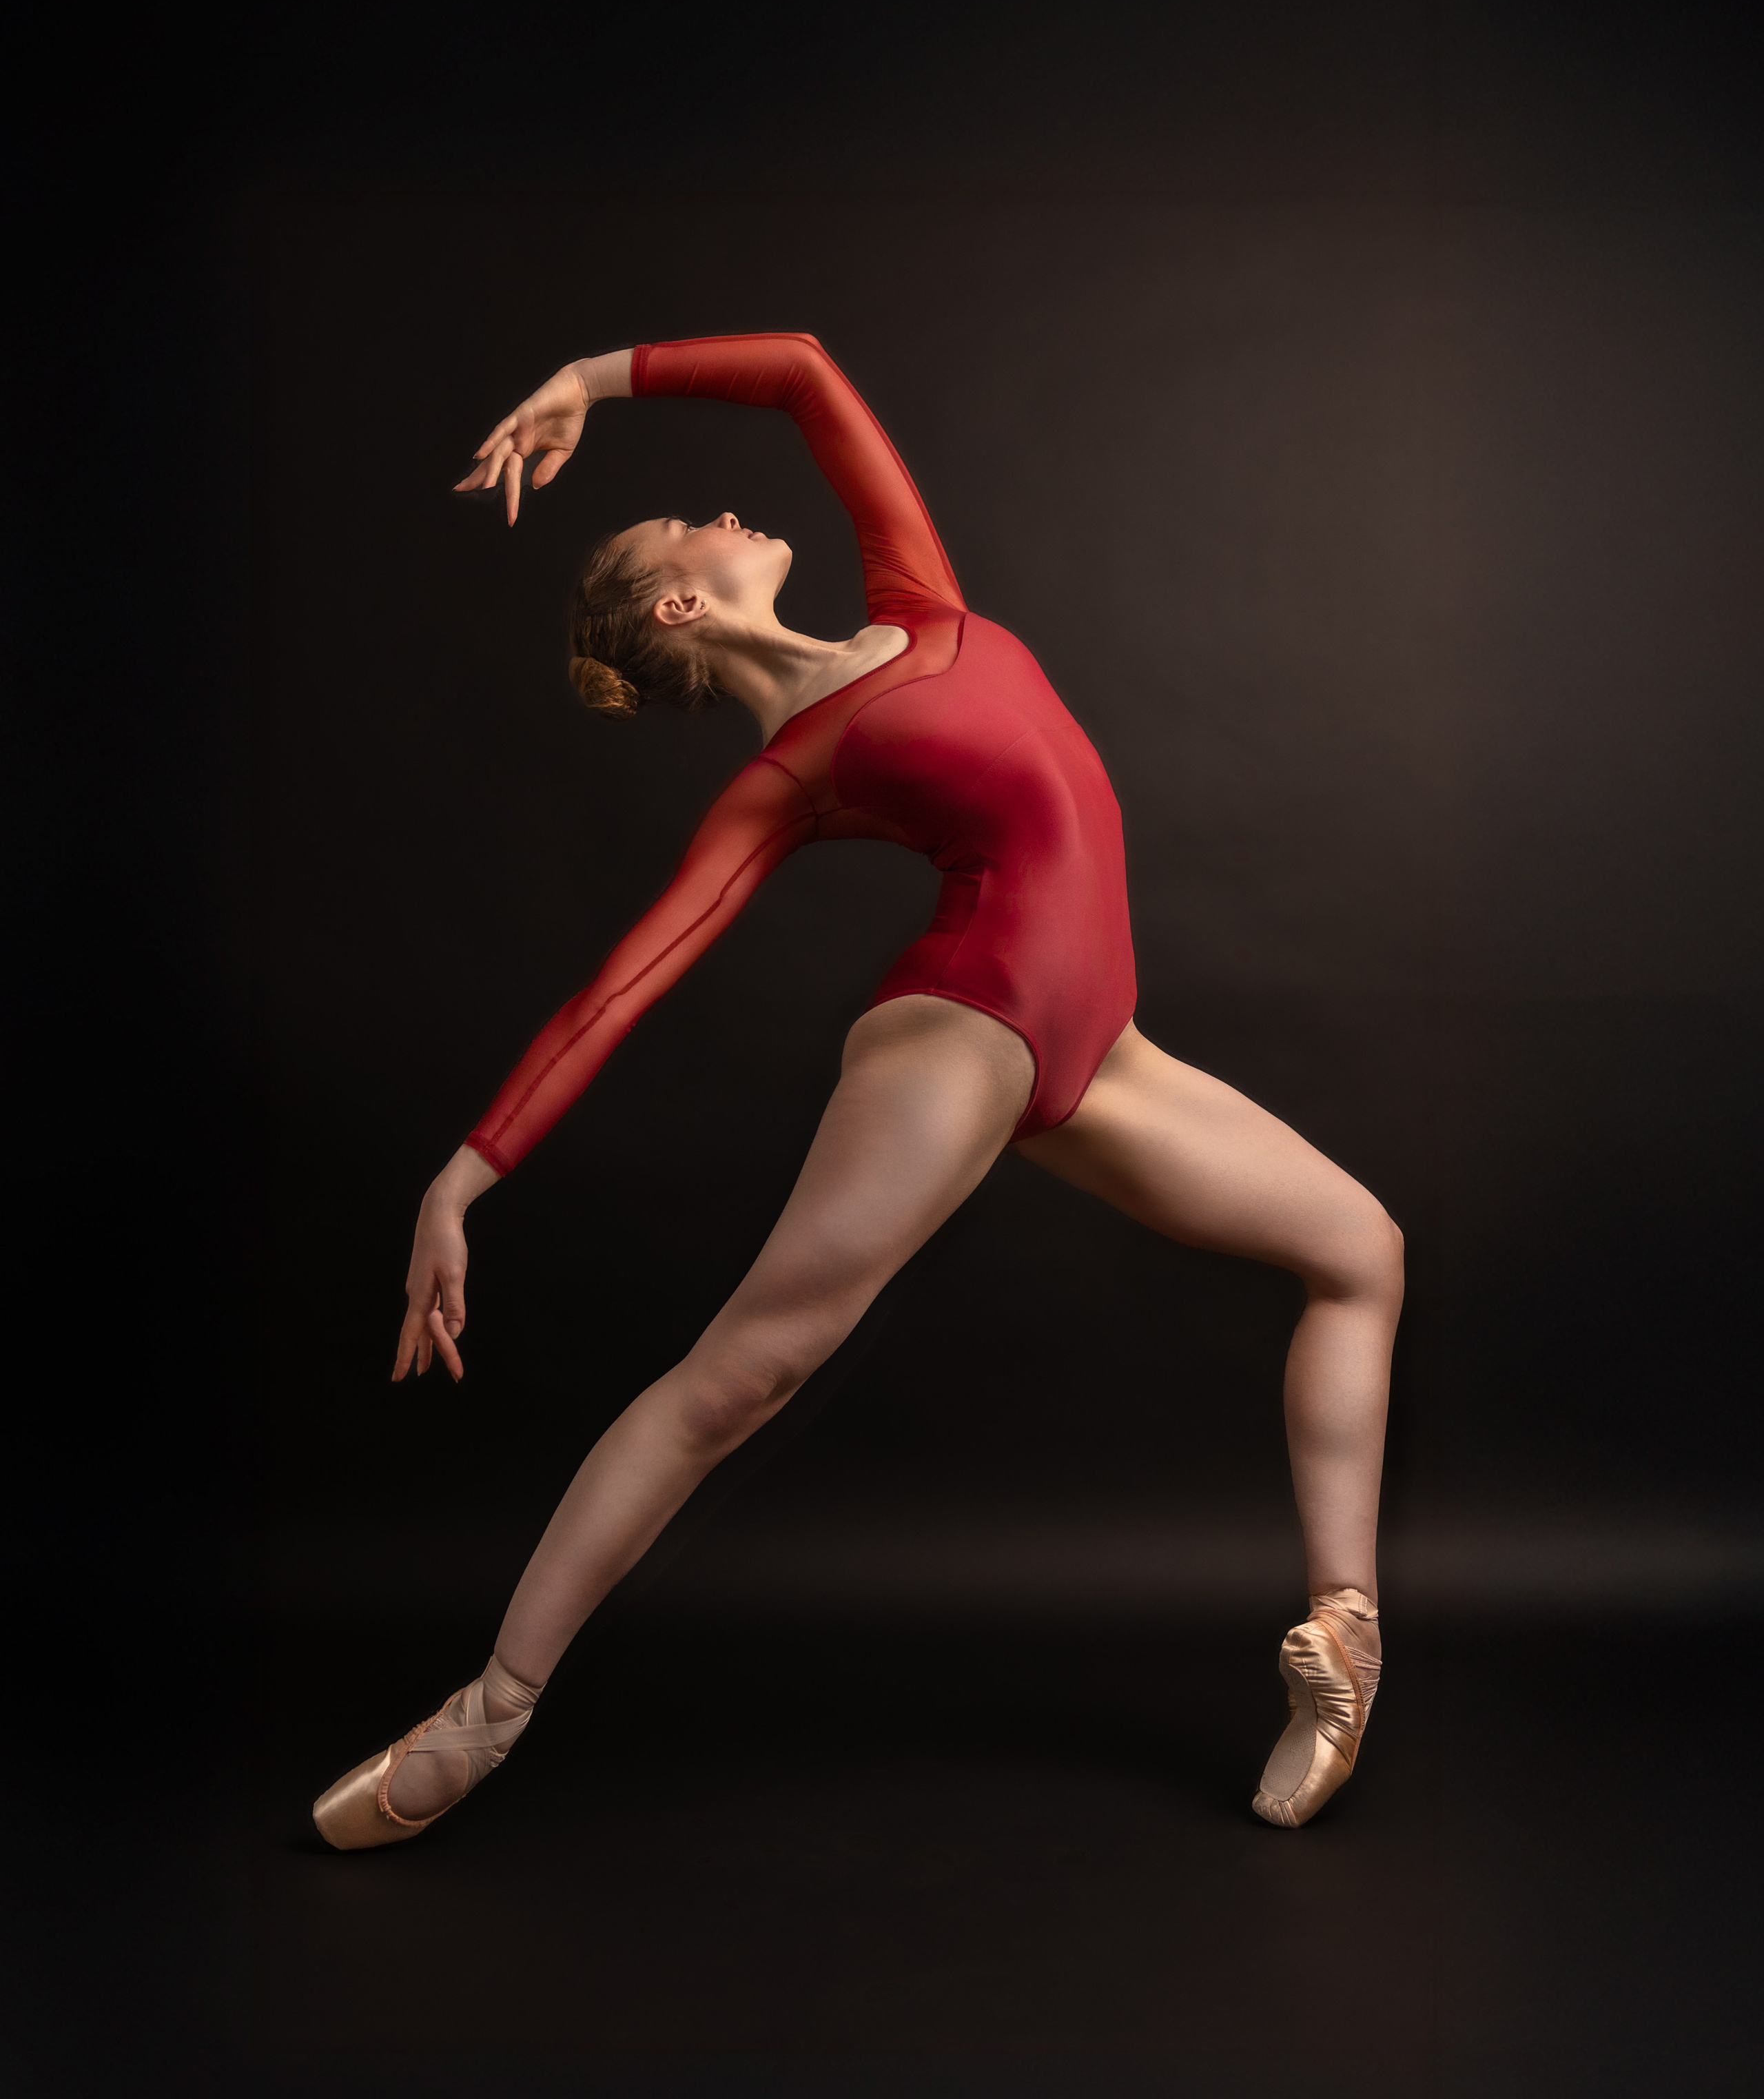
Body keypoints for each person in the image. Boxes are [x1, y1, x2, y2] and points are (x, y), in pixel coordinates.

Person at [313, 333, 1402, 1849]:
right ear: (682, 602)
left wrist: (591, 377)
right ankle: (486, 1711)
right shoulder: (789, 776)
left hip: (1097, 1047)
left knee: (1359, 1251)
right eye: (682, 526)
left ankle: (1339, 1638)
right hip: (959, 1029)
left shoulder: (918, 601)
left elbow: (807, 376)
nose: (720, 509)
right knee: (738, 1376)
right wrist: (463, 1174)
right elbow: (622, 984)